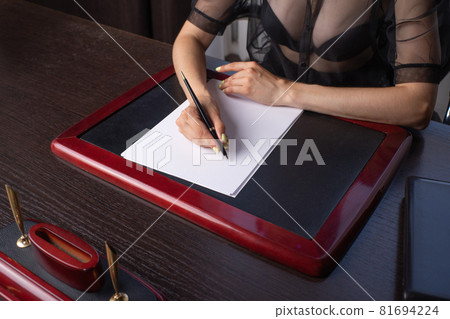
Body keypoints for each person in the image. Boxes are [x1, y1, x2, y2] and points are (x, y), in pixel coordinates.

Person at [172, 0, 450, 150]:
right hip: (265, 115)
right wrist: (199, 97)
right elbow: (190, 38)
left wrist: (286, 91)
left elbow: (418, 105)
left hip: (357, 126)